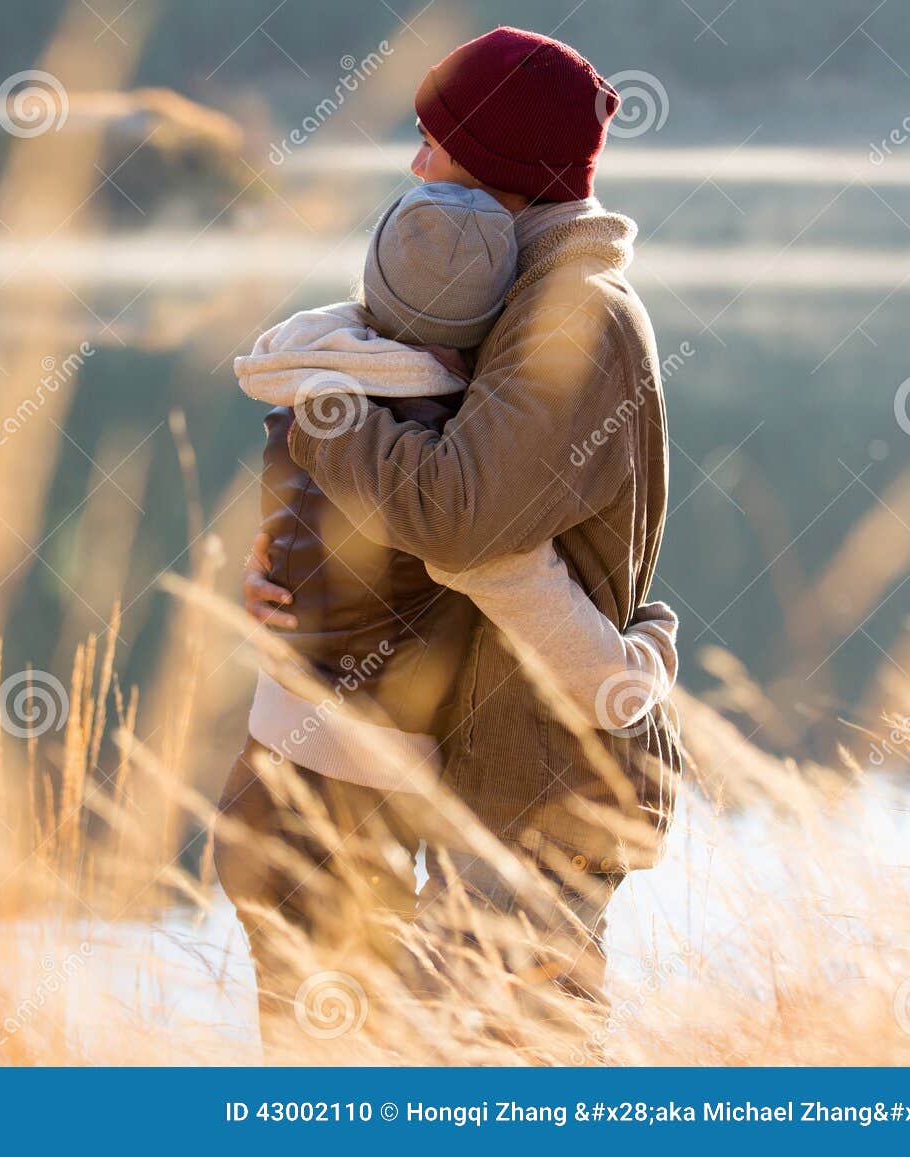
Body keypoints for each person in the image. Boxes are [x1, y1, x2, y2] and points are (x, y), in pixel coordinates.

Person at [223, 26, 684, 1044]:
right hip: (496, 776)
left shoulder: (572, 317)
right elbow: (448, 524)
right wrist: (288, 570)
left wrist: (324, 414)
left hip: (543, 795)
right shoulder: (517, 302)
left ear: (502, 169)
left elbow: (461, 524)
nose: (415, 162)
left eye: (433, 141)